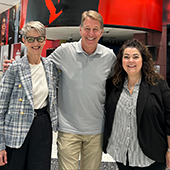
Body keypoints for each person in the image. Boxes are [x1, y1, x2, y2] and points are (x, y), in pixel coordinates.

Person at [3, 10, 116, 170]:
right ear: (80, 29)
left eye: (95, 29)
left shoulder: (109, 56)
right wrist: (15, 66)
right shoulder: (64, 51)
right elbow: (38, 65)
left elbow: (118, 83)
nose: (91, 33)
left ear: (102, 31)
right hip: (68, 129)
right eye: (87, 28)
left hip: (96, 130)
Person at [103, 38, 170, 170]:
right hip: (121, 154)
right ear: (121, 60)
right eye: (126, 57)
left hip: (151, 156)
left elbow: (169, 118)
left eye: (135, 57)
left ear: (143, 60)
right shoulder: (113, 85)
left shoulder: (158, 85)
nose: (131, 61)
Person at [0, 21, 58, 170]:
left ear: (45, 40)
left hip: (42, 125)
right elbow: (1, 107)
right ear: (24, 40)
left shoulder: (50, 67)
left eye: (39, 38)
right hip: (16, 129)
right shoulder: (14, 68)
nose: (35, 43)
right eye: (30, 39)